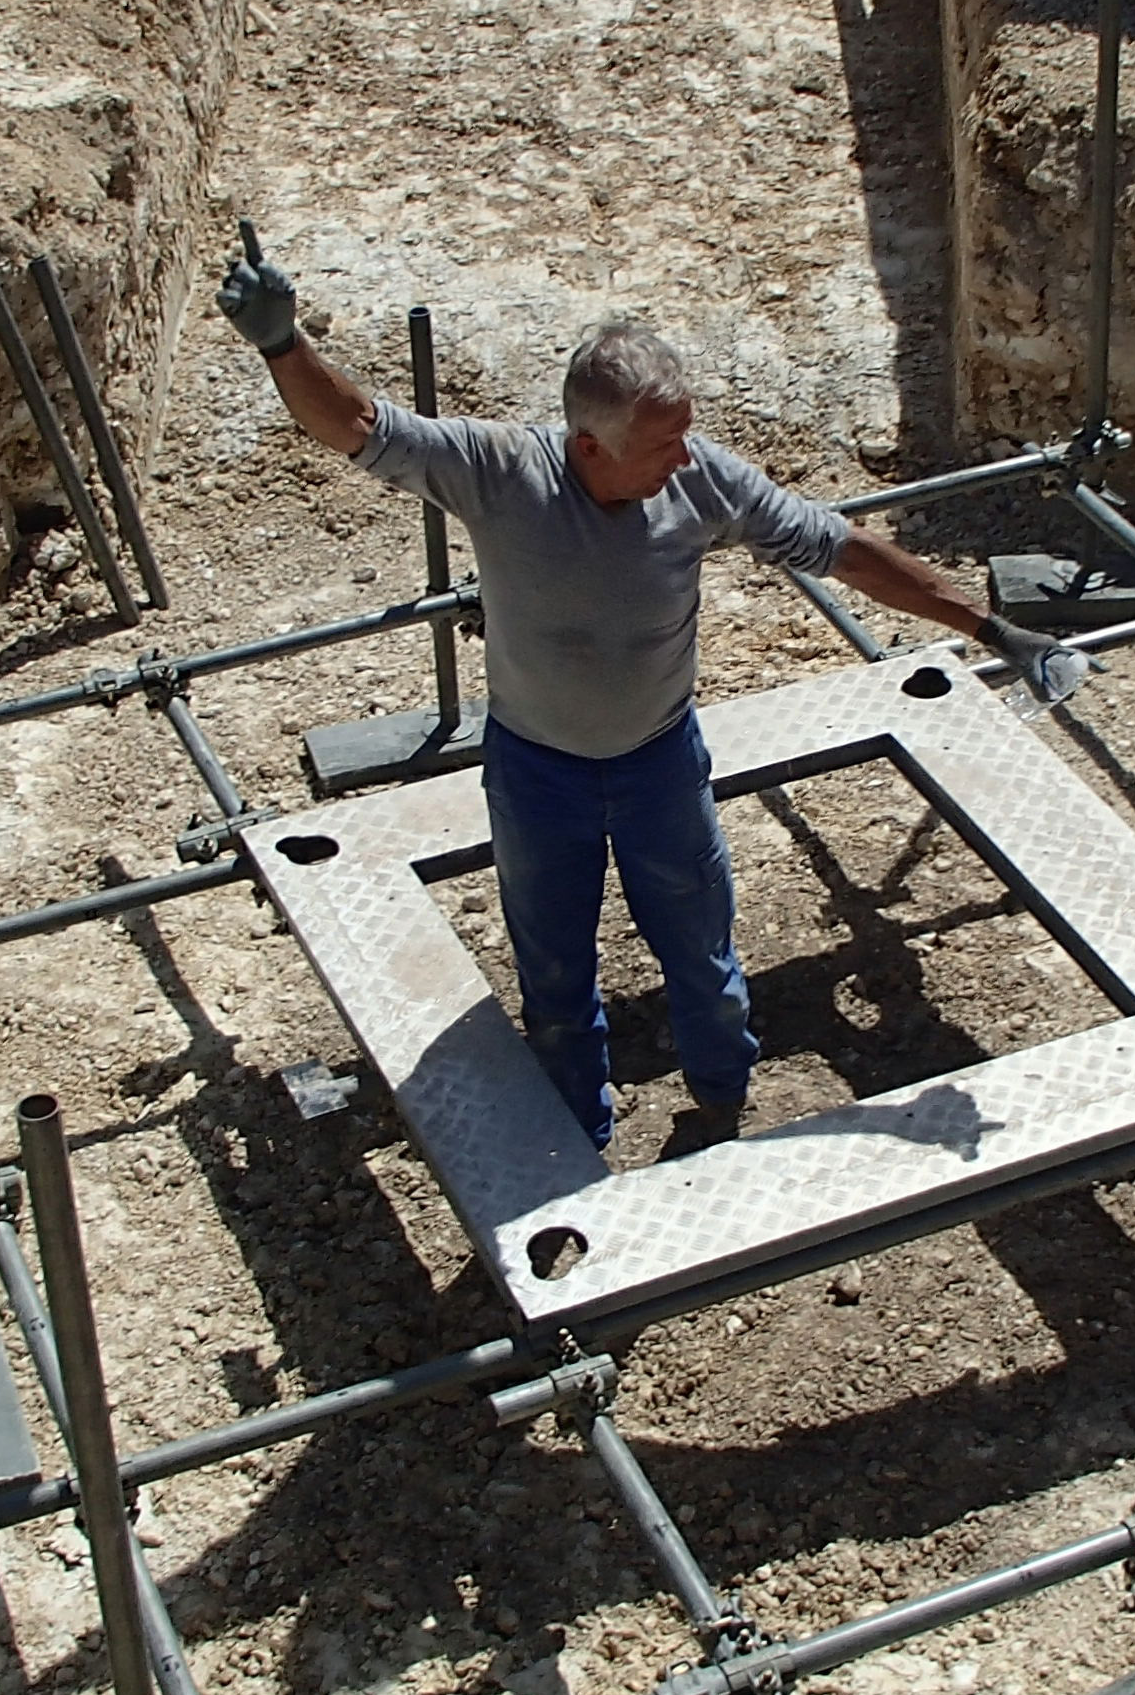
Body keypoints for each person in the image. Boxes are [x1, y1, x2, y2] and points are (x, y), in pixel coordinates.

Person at [219, 244, 1074, 1146]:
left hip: (659, 763)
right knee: (552, 972)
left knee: (701, 956)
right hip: (536, 773)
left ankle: (721, 1099)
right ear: (589, 444)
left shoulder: (700, 476)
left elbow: (841, 549)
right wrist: (283, 345)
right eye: (660, 444)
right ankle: (576, 1138)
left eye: (684, 435)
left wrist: (987, 627)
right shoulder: (500, 472)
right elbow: (356, 425)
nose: (682, 459)